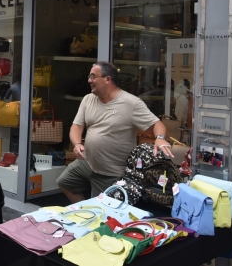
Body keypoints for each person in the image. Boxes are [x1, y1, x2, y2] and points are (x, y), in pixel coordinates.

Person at [56, 61, 173, 203]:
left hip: (111, 172)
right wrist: (76, 143)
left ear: (107, 79)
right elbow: (76, 126)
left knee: (101, 211)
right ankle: (85, 213)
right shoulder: (88, 100)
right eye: (89, 76)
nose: (89, 80)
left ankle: (91, 216)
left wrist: (160, 138)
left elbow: (157, 123)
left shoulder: (131, 103)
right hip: (88, 162)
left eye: (93, 76)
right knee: (65, 182)